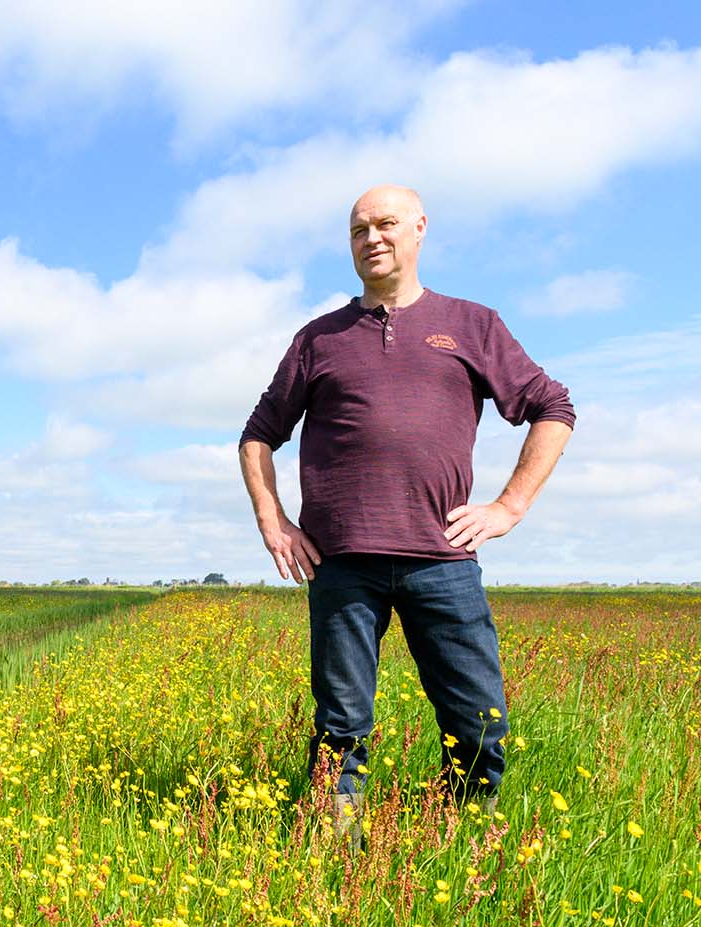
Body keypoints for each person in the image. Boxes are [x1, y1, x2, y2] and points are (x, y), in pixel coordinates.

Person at [237, 185, 575, 837]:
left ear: (420, 229)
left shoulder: (473, 325)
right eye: (358, 229)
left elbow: (552, 408)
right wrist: (273, 520)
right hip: (341, 566)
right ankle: (336, 857)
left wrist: (510, 505)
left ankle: (463, 842)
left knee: (480, 720)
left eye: (385, 223)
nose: (372, 238)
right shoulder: (319, 339)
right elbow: (259, 433)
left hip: (442, 561)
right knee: (339, 727)